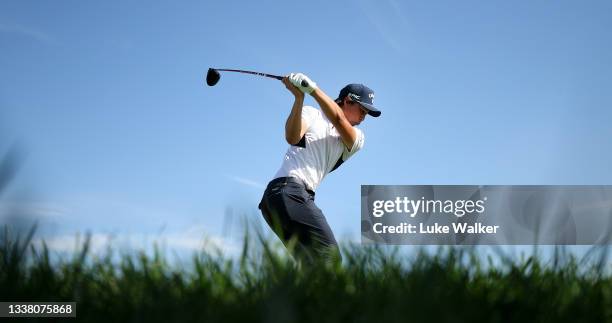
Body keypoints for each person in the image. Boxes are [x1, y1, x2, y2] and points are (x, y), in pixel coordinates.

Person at [258, 72, 381, 264]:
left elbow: (339, 119)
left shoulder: (357, 138)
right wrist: (300, 98)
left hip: (289, 198)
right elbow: (292, 137)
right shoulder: (311, 113)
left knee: (311, 266)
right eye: (362, 111)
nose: (364, 118)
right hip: (286, 193)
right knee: (330, 258)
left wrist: (313, 89)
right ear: (348, 101)